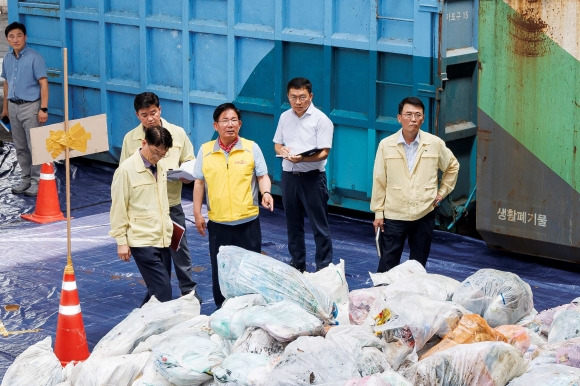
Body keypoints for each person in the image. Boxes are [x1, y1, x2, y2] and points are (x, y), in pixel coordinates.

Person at [119, 92, 200, 301]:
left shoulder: (178, 133)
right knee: (154, 256)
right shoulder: (131, 139)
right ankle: (156, 295)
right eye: (144, 115)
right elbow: (124, 175)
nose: (150, 118)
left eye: (153, 113)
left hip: (171, 206)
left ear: (160, 110)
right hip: (144, 211)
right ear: (137, 115)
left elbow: (190, 161)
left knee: (178, 249)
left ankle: (188, 292)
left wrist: (186, 175)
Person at [193, 102, 274, 308]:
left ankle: (251, 308)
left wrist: (266, 193)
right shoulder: (205, 151)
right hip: (218, 223)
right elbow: (199, 182)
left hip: (247, 222)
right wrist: (197, 213)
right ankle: (223, 310)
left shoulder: (251, 148)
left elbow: (262, 176)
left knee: (250, 270)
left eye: (234, 120)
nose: (230, 124)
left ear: (240, 124)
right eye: (225, 120)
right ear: (215, 125)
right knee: (221, 270)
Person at [370, 96, 459, 273]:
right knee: (388, 262)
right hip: (395, 214)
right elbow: (379, 179)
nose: (413, 119)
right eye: (408, 114)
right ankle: (382, 297)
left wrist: (441, 193)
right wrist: (379, 212)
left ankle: (412, 298)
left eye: (418, 115)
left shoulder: (434, 144)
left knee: (418, 265)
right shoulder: (386, 145)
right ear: (399, 117)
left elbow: (452, 166)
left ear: (423, 118)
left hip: (424, 213)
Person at [273, 77, 334, 273]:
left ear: (311, 96)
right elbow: (277, 143)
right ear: (288, 97)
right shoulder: (284, 117)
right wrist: (282, 151)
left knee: (319, 226)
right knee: (293, 224)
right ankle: (297, 264)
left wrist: (302, 159)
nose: (298, 102)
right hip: (289, 177)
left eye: (302, 97)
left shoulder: (321, 120)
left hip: (312, 177)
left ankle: (323, 268)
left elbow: (324, 152)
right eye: (293, 97)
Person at [109, 125, 175, 306]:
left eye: (162, 154)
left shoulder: (160, 166)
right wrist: (121, 241)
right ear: (144, 142)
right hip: (141, 239)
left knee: (157, 291)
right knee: (163, 291)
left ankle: (139, 326)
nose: (157, 157)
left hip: (162, 237)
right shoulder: (126, 171)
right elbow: (118, 207)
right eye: (154, 152)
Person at [1, 22, 49, 196]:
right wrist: (5, 108)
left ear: (25, 37)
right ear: (7, 39)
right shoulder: (7, 58)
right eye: (11, 36)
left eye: (19, 35)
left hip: (31, 107)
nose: (15, 39)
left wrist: (43, 108)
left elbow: (43, 83)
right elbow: (6, 83)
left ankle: (37, 181)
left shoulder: (35, 57)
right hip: (13, 107)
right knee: (20, 146)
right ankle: (26, 179)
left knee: (34, 146)